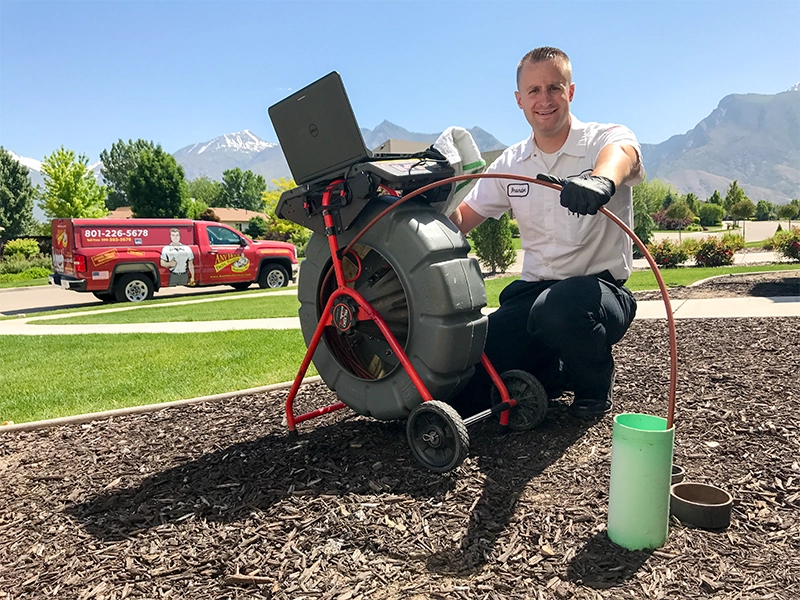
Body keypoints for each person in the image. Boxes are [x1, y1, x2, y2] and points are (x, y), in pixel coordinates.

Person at [449, 46, 644, 418]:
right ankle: (550, 375)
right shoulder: (511, 162)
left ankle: (592, 389)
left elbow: (624, 153)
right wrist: (428, 201)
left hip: (598, 295)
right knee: (467, 376)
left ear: (570, 92)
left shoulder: (603, 138)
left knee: (560, 308)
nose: (545, 99)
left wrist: (601, 181)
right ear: (519, 100)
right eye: (534, 91)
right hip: (532, 296)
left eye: (554, 88)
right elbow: (462, 218)